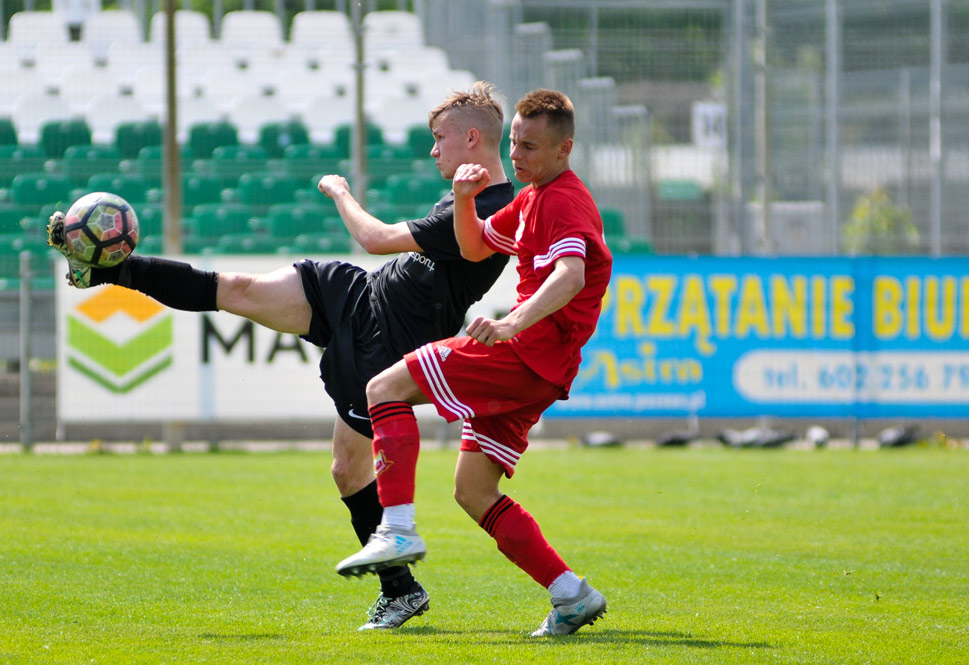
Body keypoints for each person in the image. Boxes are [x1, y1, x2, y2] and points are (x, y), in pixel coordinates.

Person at [46, 81, 515, 631]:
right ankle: (109, 271)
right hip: (361, 294)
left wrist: (340, 191)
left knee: (346, 468)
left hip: (393, 339)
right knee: (239, 288)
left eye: (440, 139)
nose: (433, 150)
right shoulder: (467, 192)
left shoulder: (495, 208)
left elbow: (376, 236)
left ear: (473, 137)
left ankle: (401, 591)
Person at [334, 89, 614, 637]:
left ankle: (396, 528)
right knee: (473, 491)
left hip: (525, 352)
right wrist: (464, 199)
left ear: (564, 150)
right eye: (513, 142)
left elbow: (570, 276)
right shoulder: (532, 196)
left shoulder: (564, 200)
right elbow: (476, 247)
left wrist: (511, 323)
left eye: (530, 146)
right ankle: (571, 594)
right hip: (542, 368)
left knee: (384, 388)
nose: (517, 156)